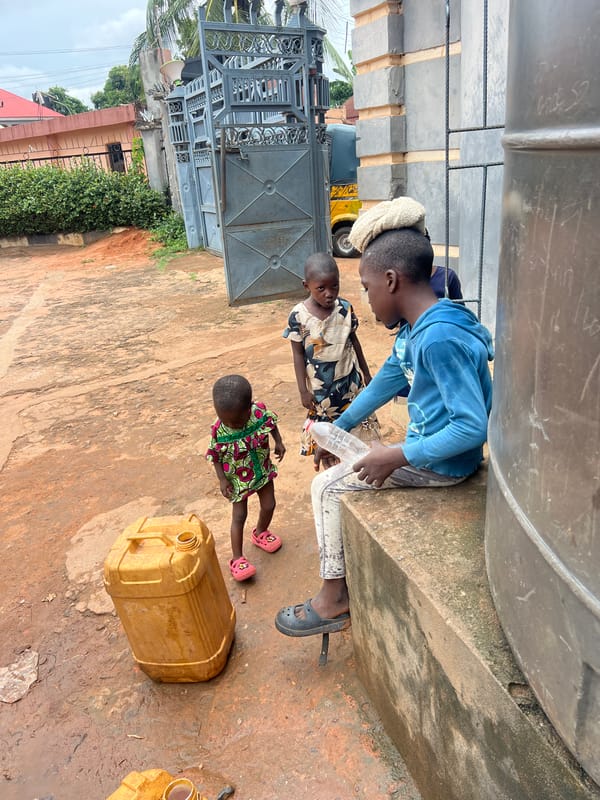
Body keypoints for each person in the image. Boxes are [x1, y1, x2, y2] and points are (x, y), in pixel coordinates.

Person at [275, 197, 493, 636]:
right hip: (425, 452)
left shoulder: (438, 339)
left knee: (326, 487)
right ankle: (338, 587)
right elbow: (384, 383)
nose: (365, 299)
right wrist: (337, 427)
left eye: (368, 286)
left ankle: (334, 599)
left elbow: (472, 426)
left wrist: (397, 455)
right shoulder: (416, 329)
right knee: (350, 452)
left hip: (445, 466)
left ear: (391, 280)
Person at [283, 252, 377, 457]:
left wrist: (366, 373)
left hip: (351, 385)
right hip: (321, 392)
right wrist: (302, 390)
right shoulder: (298, 317)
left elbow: (354, 341)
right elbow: (298, 355)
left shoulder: (345, 309)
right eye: (321, 288)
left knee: (356, 433)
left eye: (334, 286)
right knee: (327, 440)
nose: (329, 293)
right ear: (306, 286)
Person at [206, 374, 286, 581]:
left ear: (249, 408)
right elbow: (215, 455)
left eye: (237, 420)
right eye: (226, 420)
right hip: (237, 480)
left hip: (262, 470)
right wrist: (222, 480)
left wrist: (278, 442)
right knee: (239, 516)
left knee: (269, 505)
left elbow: (271, 424)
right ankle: (237, 558)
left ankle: (260, 532)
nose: (231, 424)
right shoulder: (219, 429)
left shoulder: (258, 412)